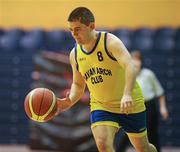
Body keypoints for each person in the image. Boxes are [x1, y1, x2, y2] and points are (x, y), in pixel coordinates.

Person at [56, 7, 157, 152]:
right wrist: (70, 100)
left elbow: (130, 67)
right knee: (103, 144)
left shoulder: (110, 42)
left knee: (143, 148)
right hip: (102, 106)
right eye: (71, 30)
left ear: (92, 26)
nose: (74, 34)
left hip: (129, 103)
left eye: (78, 29)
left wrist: (127, 94)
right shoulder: (75, 54)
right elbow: (78, 84)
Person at [115, 50, 169, 152]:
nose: (136, 63)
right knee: (130, 132)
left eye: (138, 60)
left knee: (152, 134)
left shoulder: (148, 74)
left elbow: (160, 93)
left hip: (149, 106)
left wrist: (163, 108)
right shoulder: (125, 75)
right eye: (133, 60)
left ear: (141, 62)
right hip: (133, 107)